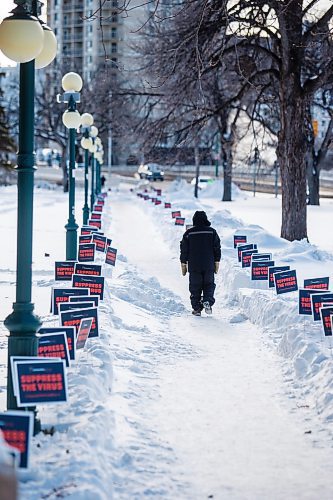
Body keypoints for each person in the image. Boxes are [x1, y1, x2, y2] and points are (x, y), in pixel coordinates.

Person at [180, 210, 221, 316]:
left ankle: (197, 308)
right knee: (209, 284)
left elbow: (184, 249)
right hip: (209, 264)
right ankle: (207, 300)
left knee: (195, 285)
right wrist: (217, 261)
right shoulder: (212, 232)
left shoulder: (189, 233)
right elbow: (217, 247)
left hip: (194, 265)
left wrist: (183, 263)